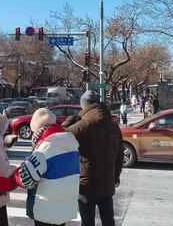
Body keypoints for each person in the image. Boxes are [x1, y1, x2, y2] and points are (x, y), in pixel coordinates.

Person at [62, 90, 123, 226]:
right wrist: (115, 177)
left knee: (87, 222)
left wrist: (70, 120)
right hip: (107, 183)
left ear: (84, 106)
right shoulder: (113, 126)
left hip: (86, 185)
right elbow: (120, 155)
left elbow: (60, 138)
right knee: (108, 221)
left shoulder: (83, 125)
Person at [14, 108, 80, 226]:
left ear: (37, 128)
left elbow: (25, 178)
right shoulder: (71, 143)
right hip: (65, 207)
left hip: (45, 209)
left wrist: (15, 173)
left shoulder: (45, 148)